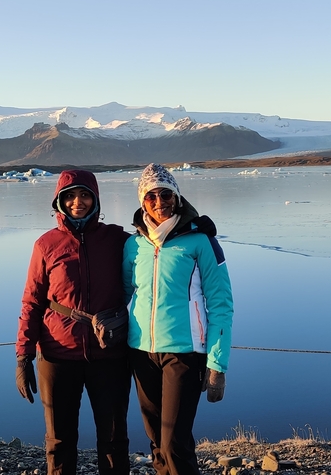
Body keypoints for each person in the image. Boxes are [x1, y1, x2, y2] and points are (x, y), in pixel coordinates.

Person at [16, 169, 132, 475]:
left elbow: (156, 246)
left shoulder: (117, 239)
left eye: (84, 195)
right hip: (57, 355)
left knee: (114, 440)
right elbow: (32, 301)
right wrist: (23, 356)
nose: (77, 202)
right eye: (69, 196)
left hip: (110, 355)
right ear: (59, 201)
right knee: (59, 440)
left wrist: (193, 228)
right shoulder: (46, 244)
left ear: (95, 199)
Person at [122, 163, 233, 475]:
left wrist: (217, 366)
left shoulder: (202, 242)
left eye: (166, 194)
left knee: (175, 443)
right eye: (151, 196)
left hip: (184, 354)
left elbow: (222, 304)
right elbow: (123, 293)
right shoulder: (135, 245)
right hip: (141, 351)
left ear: (178, 197)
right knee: (157, 440)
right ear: (142, 201)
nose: (160, 202)